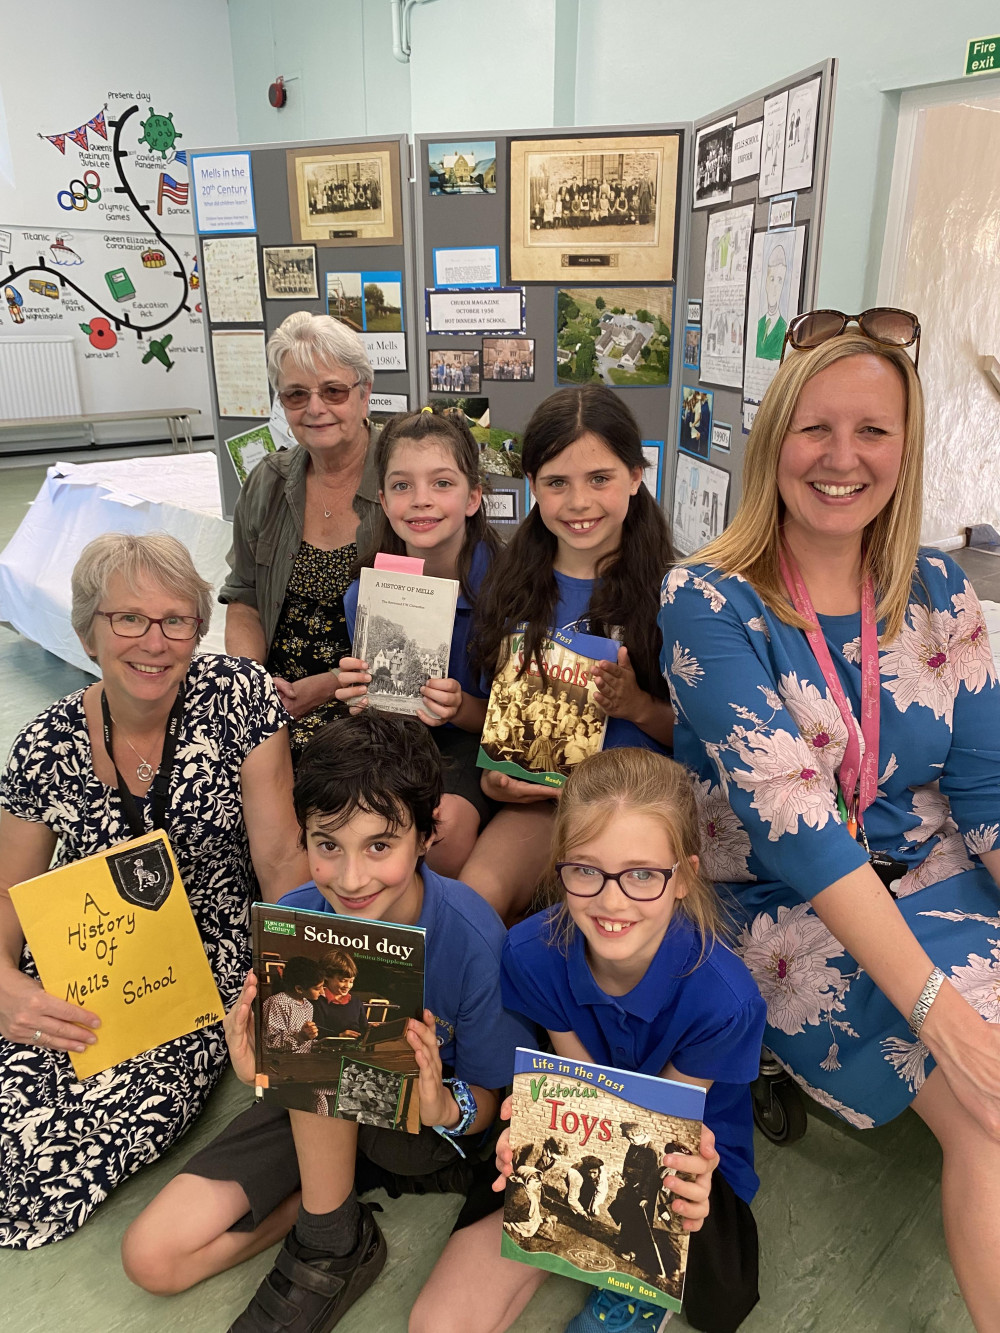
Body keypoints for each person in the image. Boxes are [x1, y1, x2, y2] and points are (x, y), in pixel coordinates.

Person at [659, 316, 1000, 1331]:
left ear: (907, 445)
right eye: (814, 428)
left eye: (873, 431)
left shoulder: (941, 588)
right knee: (988, 1113)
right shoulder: (707, 598)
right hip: (796, 907)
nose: (842, 458)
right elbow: (796, 827)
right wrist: (939, 1004)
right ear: (773, 442)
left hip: (937, 870)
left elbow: (985, 793)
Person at [122, 712, 532, 1333]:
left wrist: (442, 1106)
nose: (351, 878)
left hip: (421, 1127)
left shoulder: (473, 938)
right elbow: (289, 1064)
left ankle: (329, 1236)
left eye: (379, 845)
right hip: (310, 1111)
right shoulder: (296, 919)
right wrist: (259, 1069)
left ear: (426, 838)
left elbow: (490, 1095)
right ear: (305, 839)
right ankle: (336, 1213)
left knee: (343, 1083)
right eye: (327, 845)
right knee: (152, 1259)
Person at [0, 532, 305, 1248]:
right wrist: (4, 984)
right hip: (84, 953)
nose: (154, 639)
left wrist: (286, 979)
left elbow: (283, 859)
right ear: (87, 630)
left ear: (198, 628)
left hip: (199, 968)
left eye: (175, 619)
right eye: (128, 618)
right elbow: (7, 896)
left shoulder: (240, 697)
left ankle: (320, 1209)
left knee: (40, 1169)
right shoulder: (46, 742)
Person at [411, 747, 766, 1333]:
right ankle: (570, 1246)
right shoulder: (530, 954)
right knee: (437, 1323)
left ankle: (630, 1284)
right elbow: (579, 1083)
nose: (611, 900)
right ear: (561, 867)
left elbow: (658, 1127)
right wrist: (534, 1143)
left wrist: (650, 1195)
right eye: (585, 869)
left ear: (684, 878)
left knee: (722, 1297)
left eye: (643, 874)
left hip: (680, 1147)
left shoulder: (726, 1000)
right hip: (581, 1120)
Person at [464, 385, 675, 922]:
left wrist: (637, 707)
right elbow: (498, 725)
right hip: (538, 808)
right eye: (557, 483)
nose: (578, 503)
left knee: (611, 926)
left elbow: (706, 740)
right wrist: (498, 779)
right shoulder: (510, 585)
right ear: (532, 486)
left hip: (636, 810)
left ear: (635, 476)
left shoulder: (677, 592)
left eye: (600, 478)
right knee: (470, 906)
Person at [336, 409, 504, 876]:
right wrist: (361, 696)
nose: (421, 501)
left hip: (475, 745)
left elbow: (510, 722)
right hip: (400, 742)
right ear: (384, 502)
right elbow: (384, 713)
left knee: (443, 834)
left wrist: (459, 707)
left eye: (442, 484)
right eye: (402, 485)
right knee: (349, 821)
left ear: (473, 497)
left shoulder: (509, 590)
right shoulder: (365, 596)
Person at [219, 311, 382, 759]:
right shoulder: (267, 482)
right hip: (276, 701)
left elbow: (425, 624)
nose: (314, 408)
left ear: (364, 394)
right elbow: (245, 596)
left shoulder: (403, 476)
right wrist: (253, 685)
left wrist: (328, 687)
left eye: (333, 390)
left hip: (372, 706)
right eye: (295, 394)